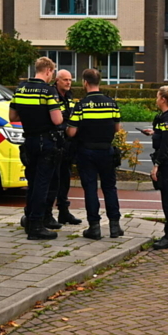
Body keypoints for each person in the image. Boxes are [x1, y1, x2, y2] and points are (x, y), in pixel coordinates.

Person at [9, 57, 63, 240]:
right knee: (42, 184)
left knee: (31, 183)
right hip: (45, 142)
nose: (52, 76)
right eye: (53, 72)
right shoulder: (48, 91)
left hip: (28, 141)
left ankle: (29, 218)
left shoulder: (21, 89)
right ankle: (37, 226)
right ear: (48, 70)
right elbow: (57, 120)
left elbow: (13, 116)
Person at [65, 68, 122, 240]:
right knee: (110, 188)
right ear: (99, 82)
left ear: (85, 82)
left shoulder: (81, 105)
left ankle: (94, 227)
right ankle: (114, 226)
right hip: (106, 150)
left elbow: (72, 132)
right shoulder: (111, 103)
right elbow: (117, 128)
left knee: (90, 188)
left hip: (87, 151)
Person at [140, 85, 168, 250]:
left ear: (163, 99)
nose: (156, 99)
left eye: (158, 97)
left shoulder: (167, 118)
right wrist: (154, 133)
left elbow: (166, 145)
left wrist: (156, 165)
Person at [53, 70, 82, 226]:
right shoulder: (51, 95)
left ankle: (64, 212)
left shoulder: (69, 96)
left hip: (68, 145)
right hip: (55, 143)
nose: (68, 82)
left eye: (70, 80)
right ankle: (46, 214)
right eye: (65, 80)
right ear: (57, 80)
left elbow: (72, 116)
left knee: (65, 179)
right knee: (52, 180)